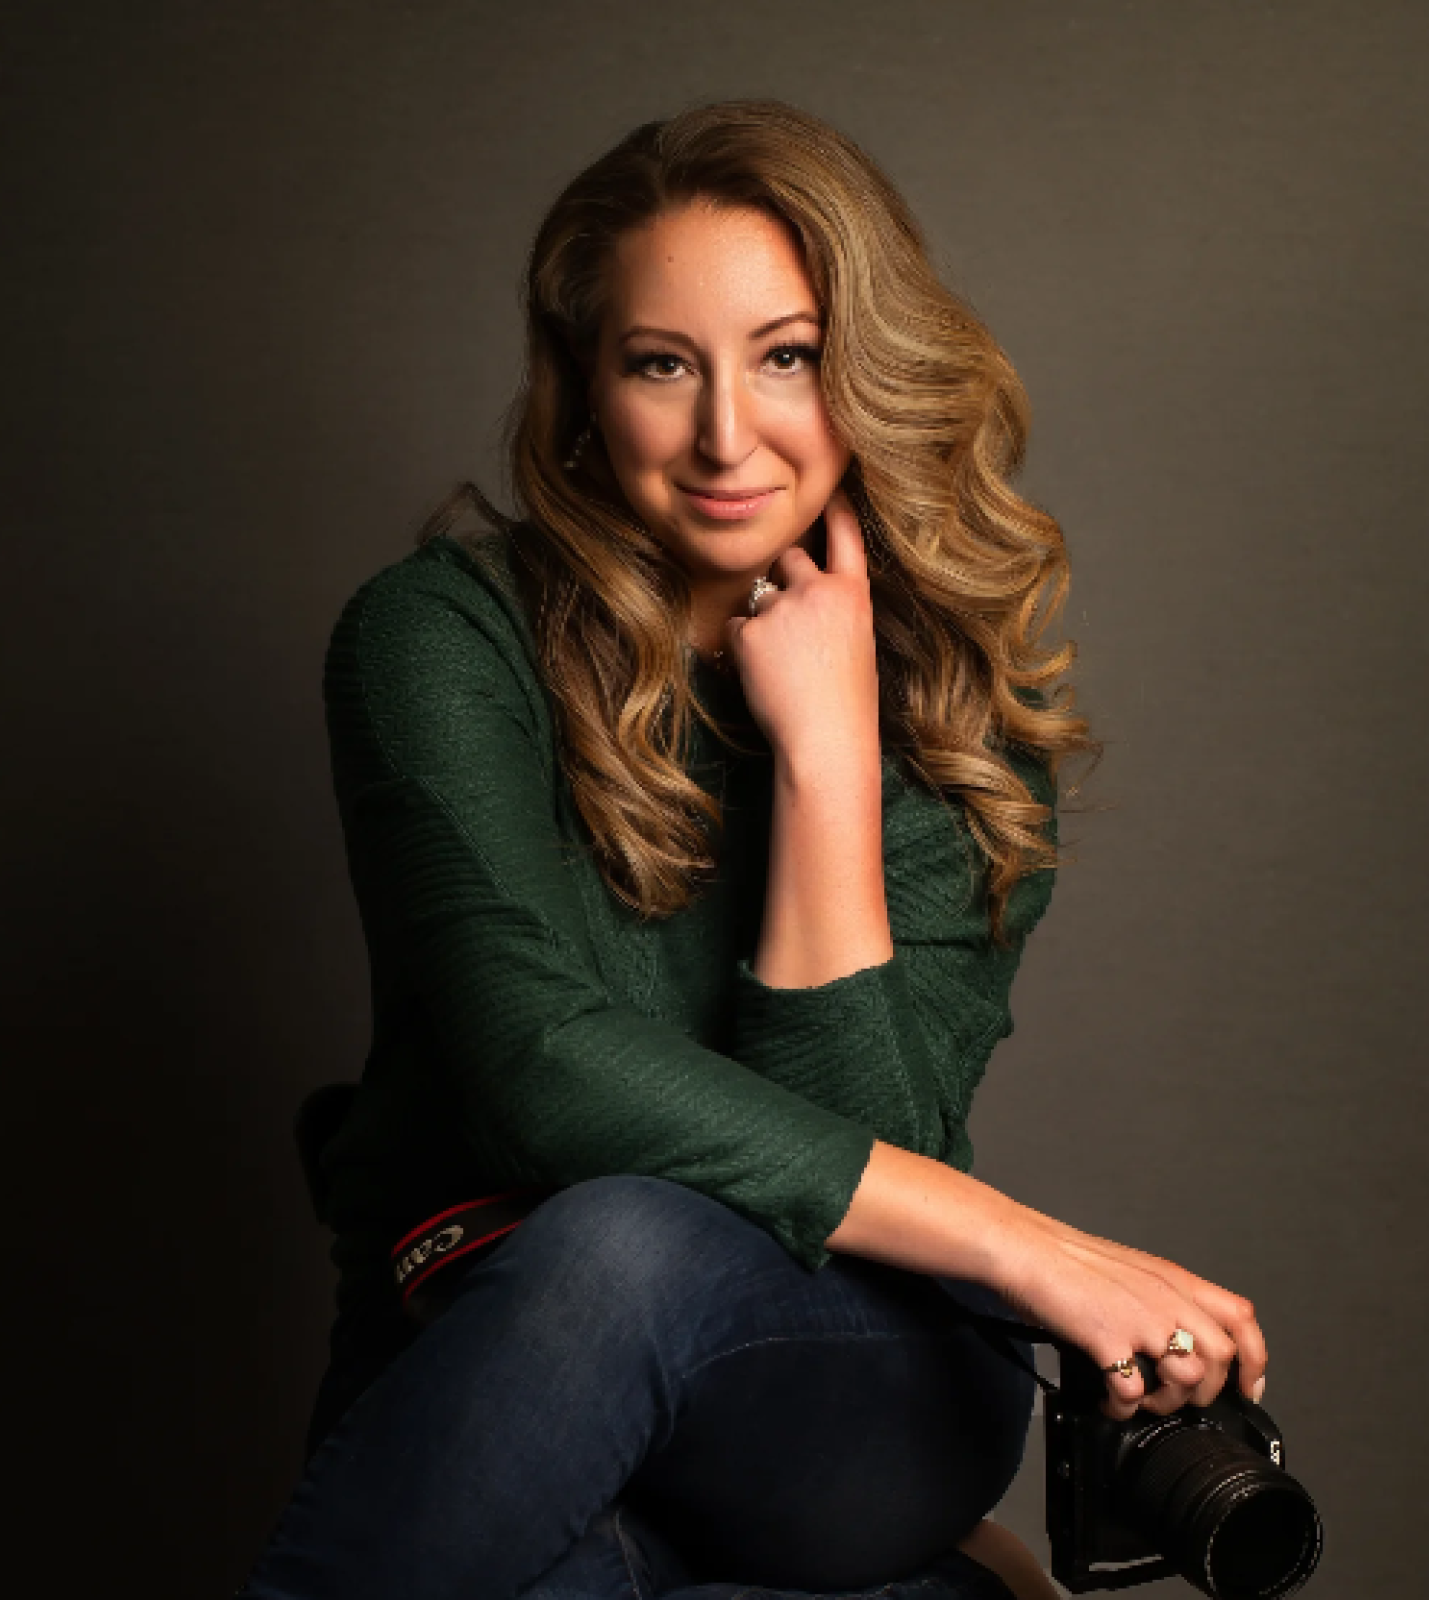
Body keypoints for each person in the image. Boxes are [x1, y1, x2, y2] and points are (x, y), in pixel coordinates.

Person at [236, 99, 1267, 1600]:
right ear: (586, 394)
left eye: (786, 357)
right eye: (664, 365)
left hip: (850, 1387)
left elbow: (863, 1176)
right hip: (479, 1366)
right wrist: (1025, 1245)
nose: (730, 434)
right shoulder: (444, 641)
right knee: (570, 1563)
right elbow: (539, 1071)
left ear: (863, 375)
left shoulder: (962, 730)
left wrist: (832, 761)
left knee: (629, 1243)